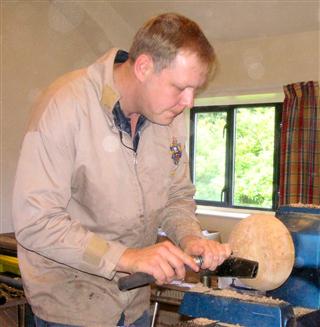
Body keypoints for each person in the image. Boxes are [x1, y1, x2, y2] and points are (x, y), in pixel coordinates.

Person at [12, 12, 231, 327]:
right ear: (143, 67)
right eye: (181, 88)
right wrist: (126, 258)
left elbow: (176, 196)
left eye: (195, 90)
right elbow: (36, 222)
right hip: (71, 308)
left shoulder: (169, 116)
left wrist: (190, 238)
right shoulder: (65, 106)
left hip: (133, 304)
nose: (189, 103)